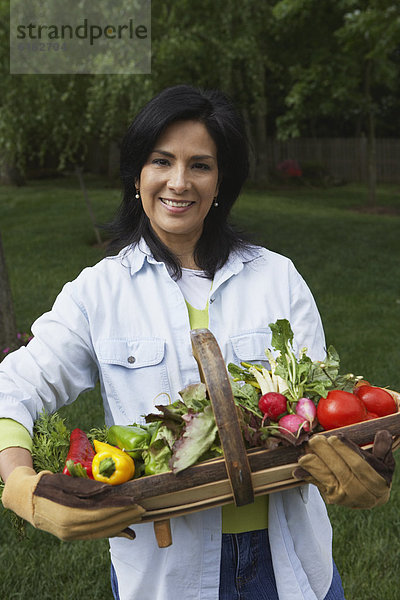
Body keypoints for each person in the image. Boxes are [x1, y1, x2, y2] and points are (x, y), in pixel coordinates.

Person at [0, 84, 394, 600]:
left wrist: (355, 463)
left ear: (221, 179)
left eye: (200, 165)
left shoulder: (278, 278)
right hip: (166, 574)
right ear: (136, 174)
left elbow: (317, 403)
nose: (178, 182)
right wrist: (20, 486)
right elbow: (16, 385)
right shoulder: (99, 291)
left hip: (290, 562)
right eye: (161, 161)